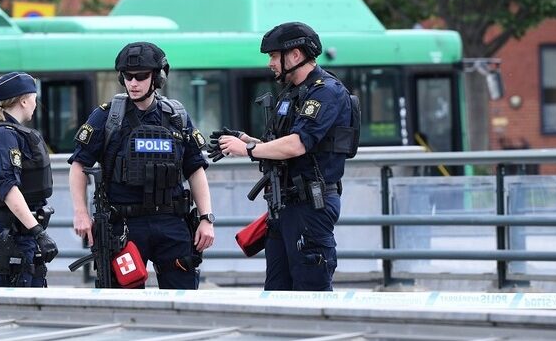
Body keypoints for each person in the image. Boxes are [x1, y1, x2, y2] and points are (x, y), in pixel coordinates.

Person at [214, 22, 357, 291]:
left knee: (310, 291)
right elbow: (281, 147)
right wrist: (247, 141)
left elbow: (297, 145)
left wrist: (248, 150)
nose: (270, 63)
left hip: (310, 206)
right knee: (276, 291)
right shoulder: (292, 93)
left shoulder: (325, 91)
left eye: (273, 55)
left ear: (295, 54)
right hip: (284, 206)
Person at [68, 42, 215, 289]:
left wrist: (206, 218)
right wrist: (80, 213)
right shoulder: (107, 117)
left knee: (184, 296)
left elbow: (195, 169)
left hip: (171, 222)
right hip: (124, 226)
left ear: (157, 78)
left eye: (141, 76)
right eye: (128, 77)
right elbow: (78, 165)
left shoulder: (176, 117)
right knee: (124, 300)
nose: (133, 83)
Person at [0, 72, 59, 287]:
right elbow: (7, 187)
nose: (36, 104)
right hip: (11, 232)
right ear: (24, 101)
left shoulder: (12, 133)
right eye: (34, 99)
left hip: (20, 230)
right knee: (16, 287)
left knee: (32, 282)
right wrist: (38, 232)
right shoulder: (3, 135)